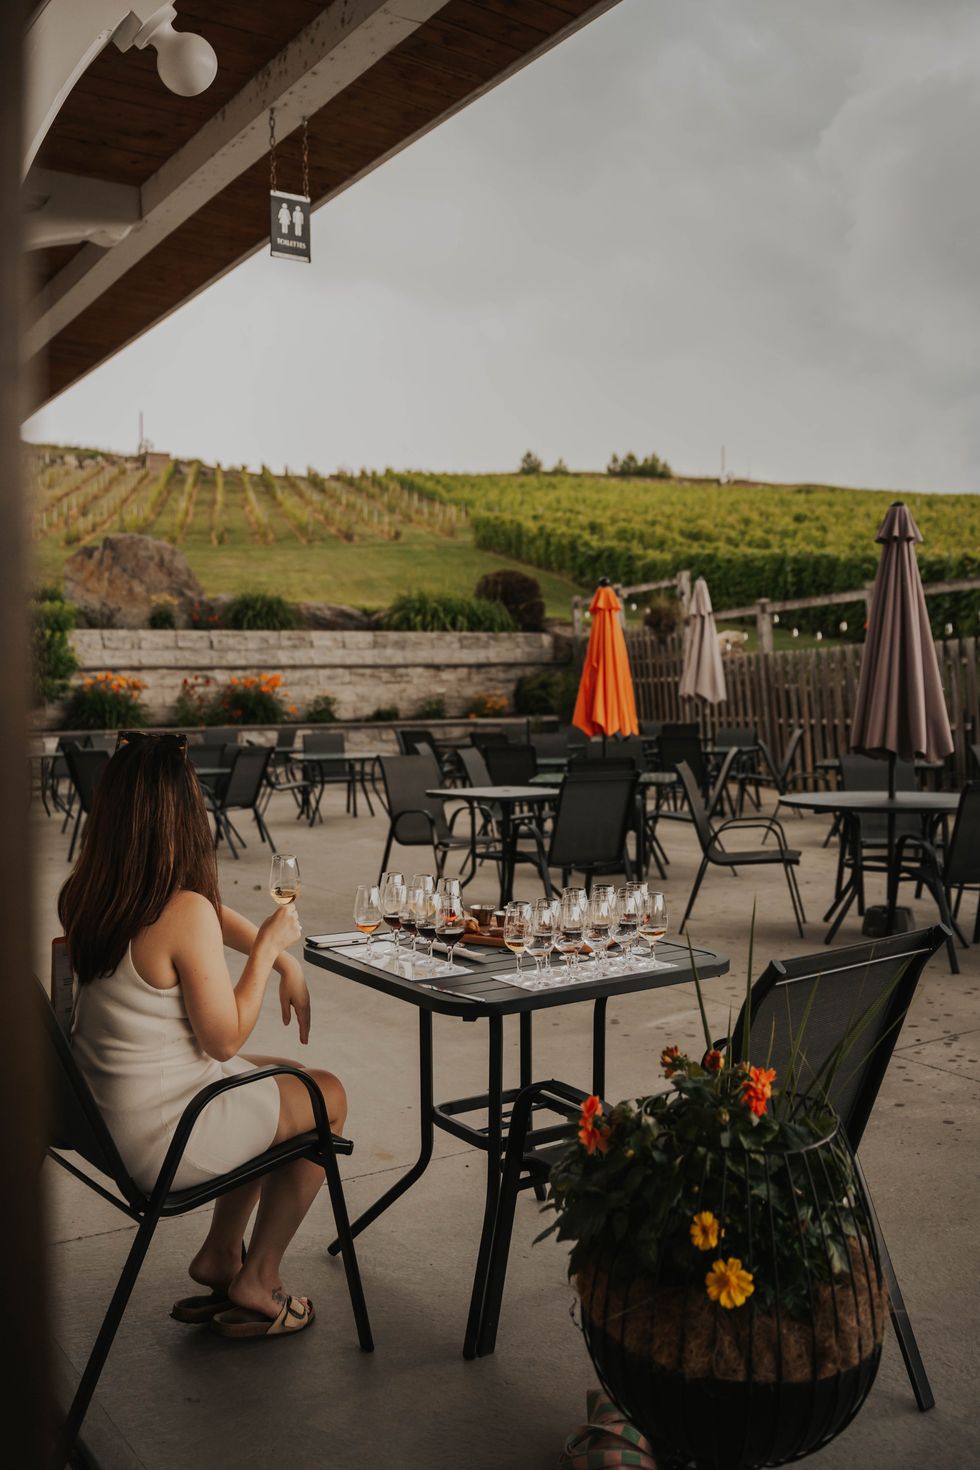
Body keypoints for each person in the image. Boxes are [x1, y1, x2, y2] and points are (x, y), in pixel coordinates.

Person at [61, 732, 344, 1340]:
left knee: (279, 1079)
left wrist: (285, 961)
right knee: (327, 1095)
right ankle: (258, 1277)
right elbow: (222, 1040)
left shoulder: (90, 894)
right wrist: (268, 952)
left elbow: (209, 917)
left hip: (106, 1117)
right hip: (164, 1136)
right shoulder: (181, 910)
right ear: (180, 817)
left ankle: (220, 1255)